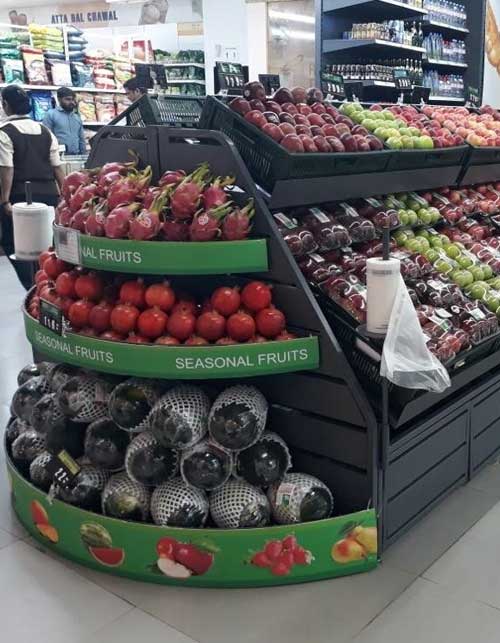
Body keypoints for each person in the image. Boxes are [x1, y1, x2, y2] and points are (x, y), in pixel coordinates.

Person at [0, 85, 64, 289]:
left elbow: (6, 169)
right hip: (48, 196)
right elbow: (57, 167)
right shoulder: (46, 132)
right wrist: (64, 196)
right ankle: (47, 282)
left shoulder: (4, 133)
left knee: (16, 245)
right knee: (47, 244)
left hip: (19, 197)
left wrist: (4, 200)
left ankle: (32, 287)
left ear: (5, 105)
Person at [43, 87, 86, 155]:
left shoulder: (76, 117)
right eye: (68, 99)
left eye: (72, 99)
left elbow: (81, 140)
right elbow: (46, 138)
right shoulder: (51, 115)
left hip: (76, 156)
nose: (71, 102)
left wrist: (84, 156)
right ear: (59, 99)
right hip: (59, 156)